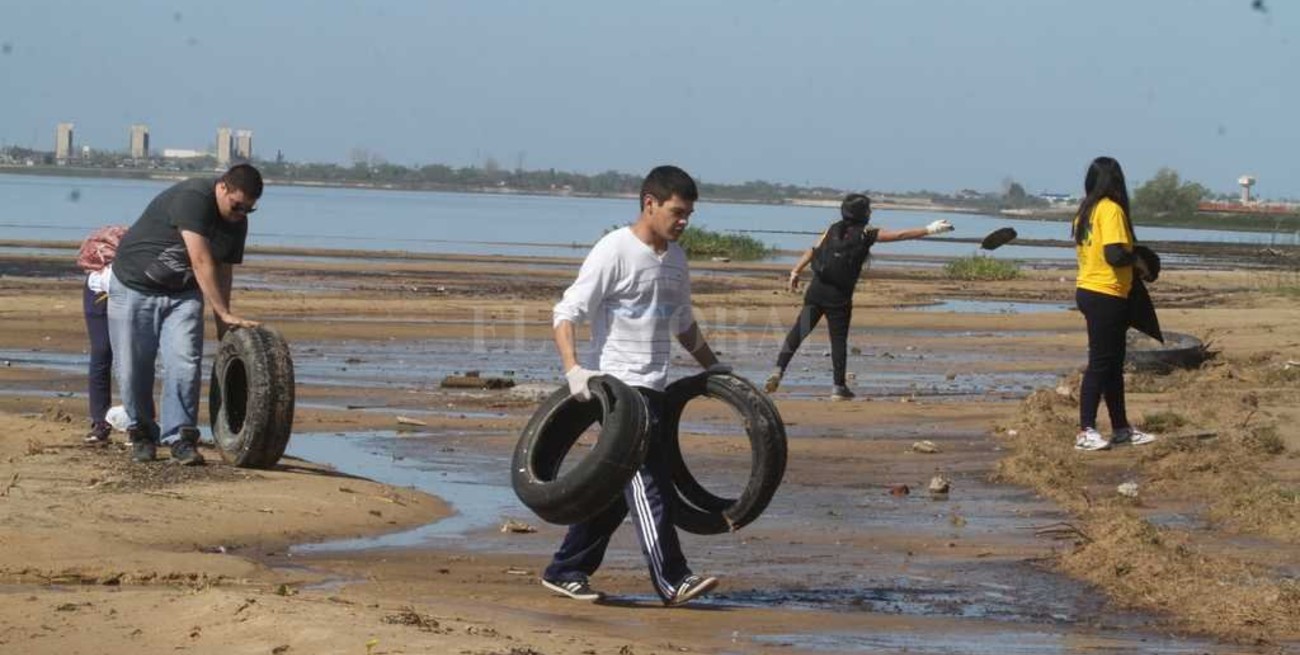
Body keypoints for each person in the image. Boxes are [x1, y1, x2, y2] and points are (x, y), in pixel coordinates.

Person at [541, 165, 728, 607]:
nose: (684, 221)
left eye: (689, 215)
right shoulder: (614, 250)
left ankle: (566, 569)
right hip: (622, 393)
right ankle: (672, 579)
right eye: (677, 212)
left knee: (614, 493)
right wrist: (574, 370)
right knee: (650, 484)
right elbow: (565, 313)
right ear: (650, 203)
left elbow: (683, 325)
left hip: (656, 388)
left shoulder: (677, 259)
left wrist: (717, 369)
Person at [107, 164, 263, 465]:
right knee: (131, 366)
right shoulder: (194, 197)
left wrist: (224, 320)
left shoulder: (237, 222)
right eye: (237, 205)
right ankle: (142, 433)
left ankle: (179, 437)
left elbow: (223, 270)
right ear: (222, 188)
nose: (241, 213)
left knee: (185, 363)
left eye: (249, 210)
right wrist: (219, 309)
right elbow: (201, 259)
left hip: (182, 295)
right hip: (134, 286)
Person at [764, 194, 953, 399]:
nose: (871, 212)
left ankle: (778, 370)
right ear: (863, 213)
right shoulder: (866, 233)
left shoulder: (833, 228)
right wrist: (930, 229)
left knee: (799, 331)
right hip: (839, 296)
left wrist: (795, 271)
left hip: (817, 289)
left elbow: (813, 250)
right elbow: (900, 235)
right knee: (838, 341)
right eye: (869, 209)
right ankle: (838, 388)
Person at [1070, 156, 1157, 451]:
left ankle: (1121, 429)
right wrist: (1141, 263)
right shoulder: (1111, 210)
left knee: (1112, 366)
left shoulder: (1085, 211)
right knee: (1100, 365)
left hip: (1089, 290)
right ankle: (1085, 431)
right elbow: (1115, 255)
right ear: (1117, 180)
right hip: (1106, 293)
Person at [82, 263, 114, 444]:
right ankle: (100, 421)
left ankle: (140, 424)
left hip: (138, 287)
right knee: (101, 351)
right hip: (100, 288)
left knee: (135, 357)